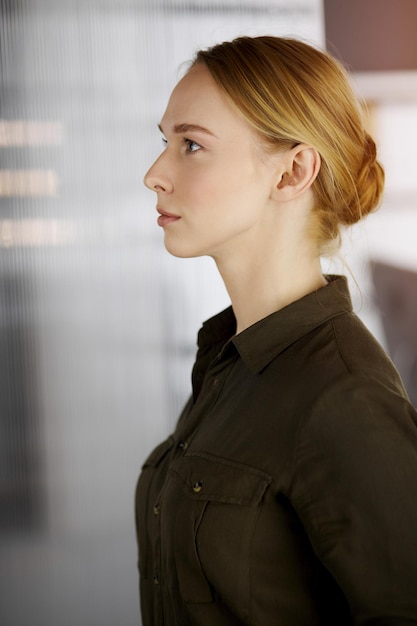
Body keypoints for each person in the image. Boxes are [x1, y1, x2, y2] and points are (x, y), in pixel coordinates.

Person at [136, 36, 417, 626]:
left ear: (292, 171)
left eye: (191, 145)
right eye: (165, 142)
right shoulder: (228, 366)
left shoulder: (344, 399)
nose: (154, 175)